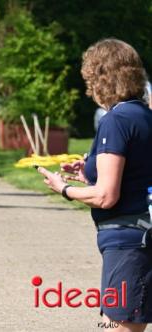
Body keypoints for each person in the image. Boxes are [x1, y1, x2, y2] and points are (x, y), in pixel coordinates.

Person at [37, 39, 152, 332]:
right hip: (141, 234)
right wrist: (89, 173)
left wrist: (64, 188)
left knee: (117, 326)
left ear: (100, 78)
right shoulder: (143, 115)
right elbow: (136, 173)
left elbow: (106, 195)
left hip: (128, 241)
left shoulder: (116, 119)